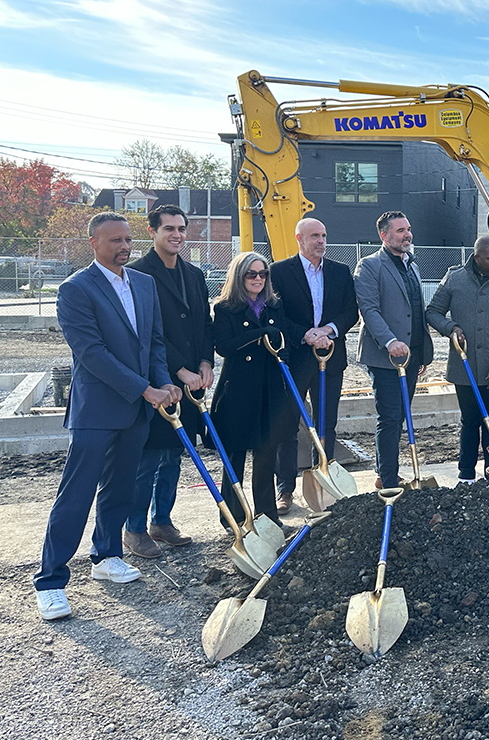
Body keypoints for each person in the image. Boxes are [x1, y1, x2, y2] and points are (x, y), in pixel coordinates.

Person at [33, 212, 180, 621]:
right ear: (93, 243)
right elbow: (91, 353)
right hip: (97, 410)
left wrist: (163, 383)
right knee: (76, 495)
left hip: (137, 410)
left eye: (128, 239)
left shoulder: (145, 284)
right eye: (114, 240)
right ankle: (50, 581)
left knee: (120, 490)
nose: (124, 246)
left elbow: (154, 343)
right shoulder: (75, 289)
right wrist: (144, 389)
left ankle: (107, 555)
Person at [122, 204, 214, 558]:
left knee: (175, 455)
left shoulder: (194, 274)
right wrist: (180, 370)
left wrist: (206, 362)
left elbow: (205, 324)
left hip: (191, 381)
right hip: (158, 380)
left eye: (181, 229)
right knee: (149, 459)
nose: (177, 235)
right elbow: (148, 333)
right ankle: (134, 528)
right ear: (153, 232)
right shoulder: (138, 274)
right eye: (169, 229)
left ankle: (162, 520)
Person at [270, 218, 360, 513]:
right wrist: (305, 334)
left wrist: (329, 330)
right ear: (299, 238)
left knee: (326, 422)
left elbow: (351, 311)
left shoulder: (340, 271)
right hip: (295, 357)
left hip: (330, 357)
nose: (321, 241)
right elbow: (277, 314)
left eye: (323, 235)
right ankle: (285, 489)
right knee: (287, 426)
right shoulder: (280, 272)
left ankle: (324, 479)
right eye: (314, 236)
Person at [210, 252, 302, 527]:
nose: (259, 279)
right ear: (239, 277)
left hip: (270, 388)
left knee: (266, 453)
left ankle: (267, 516)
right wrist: (258, 336)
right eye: (252, 274)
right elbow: (224, 346)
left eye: (263, 274)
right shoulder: (226, 308)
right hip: (238, 389)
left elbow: (282, 338)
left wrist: (282, 350)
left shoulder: (274, 306)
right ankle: (233, 519)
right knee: (235, 455)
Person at [426, 236, 489, 480]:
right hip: (465, 366)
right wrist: (451, 328)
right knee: (469, 421)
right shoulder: (455, 278)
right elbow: (433, 311)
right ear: (477, 257)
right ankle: (465, 474)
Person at [354, 211, 434, 489]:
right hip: (386, 356)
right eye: (400, 230)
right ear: (384, 235)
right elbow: (370, 310)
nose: (407, 234)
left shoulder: (412, 265)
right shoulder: (370, 266)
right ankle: (388, 478)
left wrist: (421, 353)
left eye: (408, 229)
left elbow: (416, 311)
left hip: (410, 357)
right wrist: (390, 342)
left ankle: (382, 470)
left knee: (401, 415)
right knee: (389, 416)